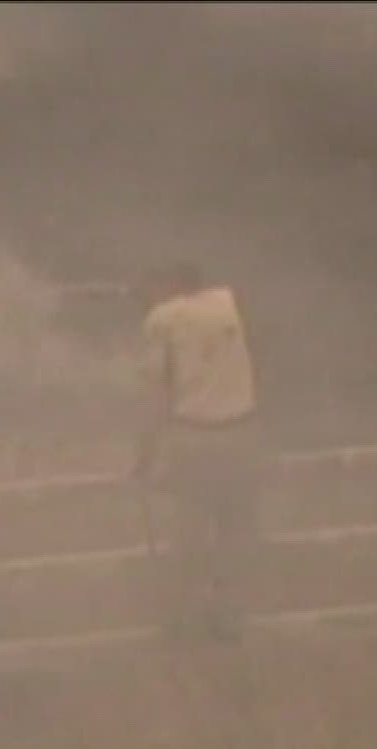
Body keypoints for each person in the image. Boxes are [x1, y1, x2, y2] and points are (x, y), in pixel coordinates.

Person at [132, 261, 264, 643]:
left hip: (196, 437)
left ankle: (185, 623)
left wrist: (144, 455)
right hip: (242, 432)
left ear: (169, 285)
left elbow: (156, 397)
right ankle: (230, 617)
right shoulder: (227, 303)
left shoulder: (163, 318)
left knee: (188, 537)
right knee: (236, 533)